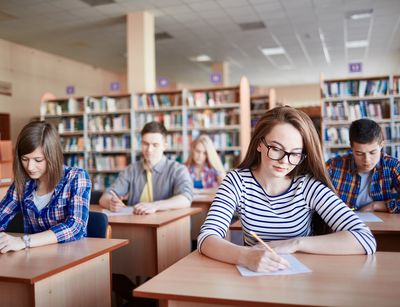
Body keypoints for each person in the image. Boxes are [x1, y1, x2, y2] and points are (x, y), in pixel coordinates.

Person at [197, 106, 376, 273]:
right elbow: (207, 238)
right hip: (253, 275)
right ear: (259, 144)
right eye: (276, 148)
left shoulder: (308, 186)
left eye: (295, 153)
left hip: (299, 278)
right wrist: (244, 256)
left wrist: (295, 243)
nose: (284, 161)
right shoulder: (236, 181)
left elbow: (364, 239)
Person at [0, 121, 91, 253]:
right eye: (25, 159)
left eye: (38, 160)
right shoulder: (23, 182)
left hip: (71, 256)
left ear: (52, 156)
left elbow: (75, 227)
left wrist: (23, 241)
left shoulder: (76, 177)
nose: (30, 167)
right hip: (32, 257)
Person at [99, 121, 193, 214]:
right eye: (145, 144)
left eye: (155, 145)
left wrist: (155, 205)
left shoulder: (178, 170)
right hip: (135, 223)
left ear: (164, 146)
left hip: (165, 225)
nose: (149, 150)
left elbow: (185, 199)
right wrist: (110, 203)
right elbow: (104, 197)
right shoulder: (131, 170)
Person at [326, 118, 400, 213]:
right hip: (341, 225)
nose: (367, 160)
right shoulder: (333, 166)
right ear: (351, 147)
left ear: (381, 145)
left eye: (373, 152)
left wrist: (375, 206)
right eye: (359, 153)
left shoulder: (393, 166)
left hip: (382, 225)